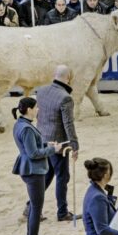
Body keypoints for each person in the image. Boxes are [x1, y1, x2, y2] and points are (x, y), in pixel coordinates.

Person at [11, 97, 63, 235]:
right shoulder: (26, 128)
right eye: (36, 107)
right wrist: (53, 150)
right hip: (33, 170)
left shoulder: (20, 124)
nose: (38, 110)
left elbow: (31, 146)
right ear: (29, 110)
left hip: (28, 168)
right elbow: (33, 153)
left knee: (35, 206)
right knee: (36, 208)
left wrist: (47, 144)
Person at [36, 65, 80, 221]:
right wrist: (74, 145)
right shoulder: (65, 97)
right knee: (62, 177)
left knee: (46, 176)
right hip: (58, 144)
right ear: (68, 77)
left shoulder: (40, 91)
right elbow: (68, 124)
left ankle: (31, 207)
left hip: (42, 140)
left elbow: (39, 115)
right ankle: (62, 212)